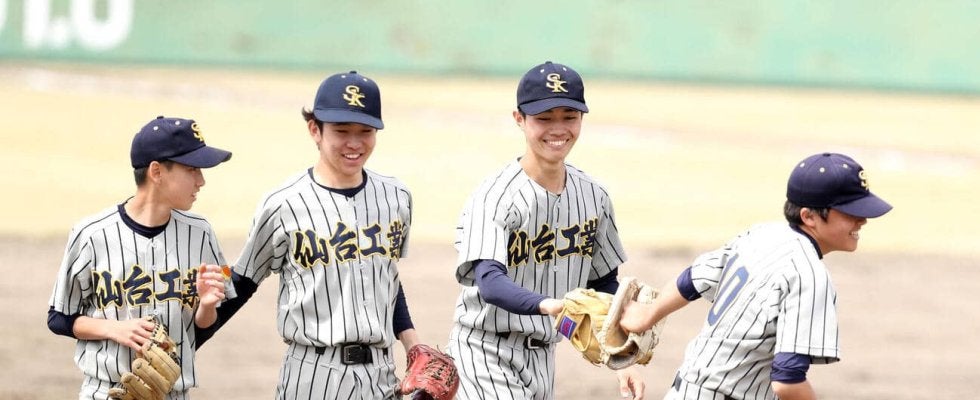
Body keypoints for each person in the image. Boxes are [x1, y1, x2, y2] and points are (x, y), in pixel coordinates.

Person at [196, 71, 422, 399]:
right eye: (341, 131)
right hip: (313, 374)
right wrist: (184, 347)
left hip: (381, 376)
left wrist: (413, 344)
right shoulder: (283, 204)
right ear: (315, 129)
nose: (354, 143)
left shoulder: (396, 197)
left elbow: (385, 276)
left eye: (366, 131)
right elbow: (242, 281)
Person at [620, 152, 893, 400]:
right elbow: (787, 381)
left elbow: (693, 279)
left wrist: (649, 313)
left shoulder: (761, 234)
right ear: (809, 216)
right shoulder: (809, 275)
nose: (862, 220)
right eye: (850, 212)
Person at [446, 61, 646, 400]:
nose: (558, 129)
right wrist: (552, 305)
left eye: (569, 116)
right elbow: (490, 283)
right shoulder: (494, 196)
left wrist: (621, 359)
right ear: (519, 119)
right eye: (544, 118)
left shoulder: (593, 196)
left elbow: (603, 283)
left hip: (543, 361)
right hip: (483, 354)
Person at [47, 115, 233, 399]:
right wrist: (113, 328)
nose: (201, 180)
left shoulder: (201, 233)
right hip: (106, 392)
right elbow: (59, 317)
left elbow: (204, 325)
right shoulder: (91, 234)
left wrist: (207, 306)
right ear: (156, 172)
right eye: (192, 169)